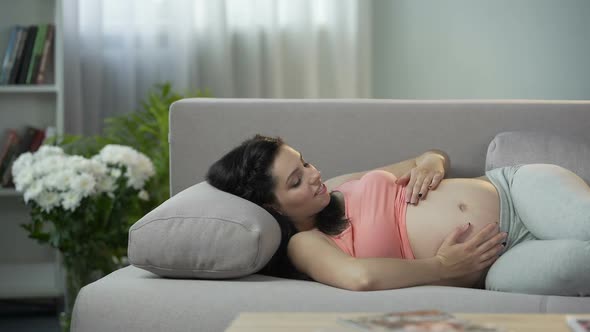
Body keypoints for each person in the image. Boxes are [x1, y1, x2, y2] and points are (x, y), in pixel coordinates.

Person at [206, 134, 590, 296]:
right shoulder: (306, 244)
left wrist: (432, 161)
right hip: (498, 261)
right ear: (272, 207)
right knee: (579, 261)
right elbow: (360, 278)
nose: (314, 175)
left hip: (515, 192)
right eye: (296, 180)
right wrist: (442, 266)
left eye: (305, 163)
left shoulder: (339, 186)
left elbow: (428, 155)